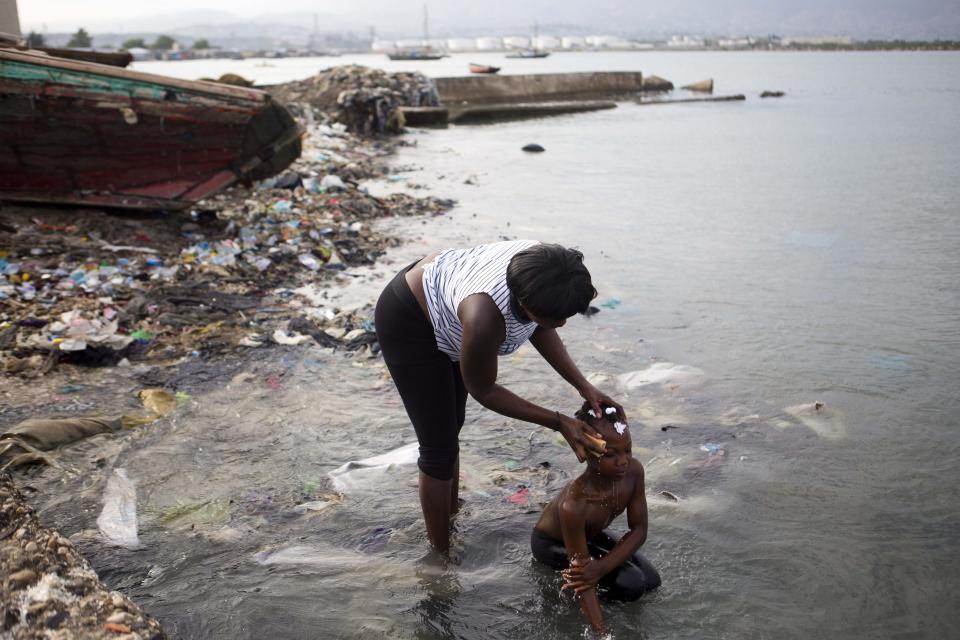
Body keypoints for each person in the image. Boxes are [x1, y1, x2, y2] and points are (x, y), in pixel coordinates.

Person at [374, 240, 621, 555]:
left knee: (451, 426)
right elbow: (483, 389)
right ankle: (439, 557)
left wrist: (584, 386)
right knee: (438, 446)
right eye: (558, 318)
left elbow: (540, 324)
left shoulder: (547, 270)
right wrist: (559, 422)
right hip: (411, 321)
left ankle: (450, 513)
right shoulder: (484, 316)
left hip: (449, 305)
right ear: (525, 302)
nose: (562, 324)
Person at [530, 402, 660, 637]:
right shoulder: (576, 503)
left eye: (627, 450)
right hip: (550, 543)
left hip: (589, 534)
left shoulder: (633, 472)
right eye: (611, 454)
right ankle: (563, 592)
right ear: (587, 452)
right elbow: (583, 575)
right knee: (631, 585)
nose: (623, 461)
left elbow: (639, 530)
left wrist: (600, 568)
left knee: (651, 581)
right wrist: (601, 633)